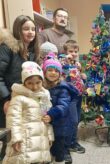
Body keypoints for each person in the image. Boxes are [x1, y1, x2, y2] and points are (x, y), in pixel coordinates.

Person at [0, 15, 40, 160]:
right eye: (26, 29)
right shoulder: (7, 48)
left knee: (23, 138)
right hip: (8, 100)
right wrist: (6, 99)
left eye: (33, 29)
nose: (30, 32)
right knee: (9, 140)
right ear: (18, 30)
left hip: (24, 100)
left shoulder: (32, 51)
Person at [2, 61, 54, 164]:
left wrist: (49, 135)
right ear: (24, 83)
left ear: (42, 81)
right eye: (30, 83)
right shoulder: (19, 99)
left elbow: (46, 120)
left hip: (40, 140)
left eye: (38, 83)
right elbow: (13, 120)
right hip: (25, 140)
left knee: (38, 159)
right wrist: (16, 138)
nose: (34, 87)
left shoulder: (43, 98)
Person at [42, 58, 79, 164]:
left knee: (59, 150)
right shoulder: (42, 86)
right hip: (46, 123)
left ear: (60, 73)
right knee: (47, 148)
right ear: (44, 72)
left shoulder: (63, 88)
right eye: (50, 70)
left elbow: (63, 105)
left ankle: (62, 155)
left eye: (56, 71)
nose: (53, 73)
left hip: (60, 124)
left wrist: (51, 114)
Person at [61, 40, 86, 156]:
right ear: (65, 52)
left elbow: (77, 79)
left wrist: (82, 75)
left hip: (78, 96)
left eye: (76, 51)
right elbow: (64, 70)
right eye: (71, 51)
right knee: (72, 121)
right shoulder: (63, 62)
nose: (74, 53)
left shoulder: (76, 64)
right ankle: (66, 145)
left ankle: (73, 142)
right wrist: (66, 59)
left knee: (76, 121)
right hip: (69, 96)